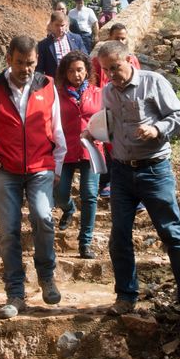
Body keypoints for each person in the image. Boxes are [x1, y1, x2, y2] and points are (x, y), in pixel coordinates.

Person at [92, 40, 180, 329]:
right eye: (106, 70)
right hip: (120, 173)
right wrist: (94, 131)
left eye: (115, 68)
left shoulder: (154, 82)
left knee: (172, 234)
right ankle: (126, 296)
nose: (111, 76)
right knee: (118, 236)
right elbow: (108, 125)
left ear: (128, 60)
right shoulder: (107, 92)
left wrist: (157, 128)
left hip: (155, 171)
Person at [0, 36, 67, 319]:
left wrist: (58, 168)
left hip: (40, 167)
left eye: (30, 63)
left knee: (43, 217)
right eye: (19, 63)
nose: (26, 69)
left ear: (37, 60)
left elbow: (58, 129)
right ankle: (15, 293)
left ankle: (47, 277)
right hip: (5, 170)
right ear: (8, 59)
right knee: (9, 231)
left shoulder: (48, 86)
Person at [54, 51, 103, 259]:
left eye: (80, 69)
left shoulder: (99, 93)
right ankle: (69, 208)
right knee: (59, 193)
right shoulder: (56, 94)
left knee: (90, 195)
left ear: (87, 70)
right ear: (65, 73)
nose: (76, 74)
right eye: (72, 70)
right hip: (64, 149)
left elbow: (106, 121)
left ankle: (85, 243)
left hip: (91, 149)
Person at [91, 23, 141, 200]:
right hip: (106, 104)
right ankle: (105, 182)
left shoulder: (131, 58)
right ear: (110, 38)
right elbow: (94, 82)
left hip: (126, 107)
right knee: (106, 142)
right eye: (117, 38)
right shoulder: (98, 61)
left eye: (123, 37)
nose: (121, 40)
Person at [37, 11, 86, 78]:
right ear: (51, 24)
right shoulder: (43, 45)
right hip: (55, 81)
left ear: (66, 25)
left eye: (62, 25)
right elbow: (39, 69)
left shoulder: (76, 39)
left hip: (75, 79)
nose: (60, 28)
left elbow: (85, 58)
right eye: (57, 25)